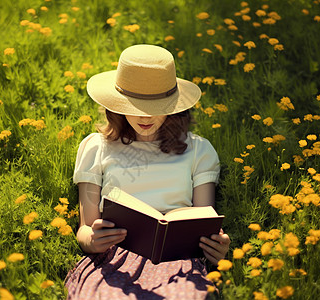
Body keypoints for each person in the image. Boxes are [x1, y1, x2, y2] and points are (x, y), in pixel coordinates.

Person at [65, 44, 230, 299]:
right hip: (113, 258)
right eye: (135, 105)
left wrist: (216, 248)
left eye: (157, 105)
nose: (145, 116)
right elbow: (85, 227)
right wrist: (91, 240)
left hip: (177, 261)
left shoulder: (198, 150)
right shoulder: (95, 147)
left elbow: (204, 222)